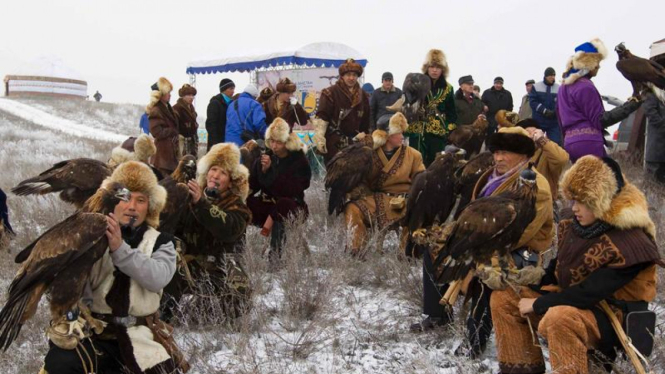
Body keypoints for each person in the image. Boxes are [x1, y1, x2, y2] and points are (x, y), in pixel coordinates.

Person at [491, 155, 661, 374]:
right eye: (573, 200)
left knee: (559, 318)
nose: (575, 208)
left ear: (602, 200)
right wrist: (517, 277)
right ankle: (522, 369)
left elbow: (590, 292)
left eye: (583, 201)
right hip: (573, 304)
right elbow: (557, 271)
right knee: (504, 298)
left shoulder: (632, 240)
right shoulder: (577, 226)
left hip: (613, 320)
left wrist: (538, 304)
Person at [413, 127, 553, 360]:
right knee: (436, 250)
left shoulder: (536, 186)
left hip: (518, 248)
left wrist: (478, 252)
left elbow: (525, 231)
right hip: (482, 238)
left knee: (485, 274)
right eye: (496, 151)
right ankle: (438, 314)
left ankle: (475, 339)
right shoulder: (490, 176)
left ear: (523, 156)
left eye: (505, 152)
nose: (498, 158)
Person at [42, 161, 186, 374]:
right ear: (113, 201)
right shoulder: (91, 234)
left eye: (141, 200)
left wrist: (120, 249)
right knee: (60, 363)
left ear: (150, 206)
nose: (132, 206)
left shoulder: (162, 241)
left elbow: (158, 277)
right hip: (93, 333)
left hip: (139, 334)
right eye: (125, 198)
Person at [163, 142, 252, 322]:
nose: (215, 176)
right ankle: (163, 317)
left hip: (221, 268)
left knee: (236, 307)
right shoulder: (193, 194)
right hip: (190, 263)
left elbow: (228, 228)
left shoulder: (237, 207)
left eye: (223, 173)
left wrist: (201, 204)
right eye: (213, 170)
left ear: (231, 180)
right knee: (167, 268)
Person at [345, 113, 425, 255]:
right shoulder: (369, 154)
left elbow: (421, 181)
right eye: (398, 133)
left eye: (402, 132)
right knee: (352, 208)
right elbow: (359, 179)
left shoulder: (414, 155)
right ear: (386, 136)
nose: (402, 137)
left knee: (417, 211)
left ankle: (406, 253)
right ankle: (356, 250)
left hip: (403, 201)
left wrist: (413, 199)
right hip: (376, 199)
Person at [557, 38, 642, 163]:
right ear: (589, 64)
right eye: (597, 62)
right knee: (601, 180)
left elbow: (559, 119)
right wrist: (630, 106)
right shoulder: (585, 86)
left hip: (570, 143)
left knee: (580, 181)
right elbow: (601, 120)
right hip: (588, 143)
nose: (599, 67)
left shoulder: (562, 88)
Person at [247, 118, 311, 259]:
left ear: (287, 142)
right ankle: (236, 254)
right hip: (267, 206)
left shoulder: (298, 160)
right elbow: (252, 185)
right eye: (272, 141)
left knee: (283, 205)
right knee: (241, 204)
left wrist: (271, 171)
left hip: (293, 207)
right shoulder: (265, 158)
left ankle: (275, 257)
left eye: (278, 142)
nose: (274, 146)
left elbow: (292, 189)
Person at [404, 49, 458, 166]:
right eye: (432, 66)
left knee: (435, 166)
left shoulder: (448, 88)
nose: (434, 70)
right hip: (417, 133)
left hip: (437, 135)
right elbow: (407, 106)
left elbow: (452, 113)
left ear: (443, 69)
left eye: (438, 67)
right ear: (427, 67)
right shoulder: (416, 83)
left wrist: (447, 131)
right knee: (415, 165)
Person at [312, 58, 371, 164]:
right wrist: (319, 138)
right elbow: (321, 117)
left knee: (355, 178)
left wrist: (367, 137)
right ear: (342, 76)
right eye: (348, 75)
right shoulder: (330, 93)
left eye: (354, 75)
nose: (351, 78)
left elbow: (366, 123)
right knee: (336, 178)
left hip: (356, 145)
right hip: (334, 143)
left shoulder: (364, 96)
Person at [517, 118, 569, 202]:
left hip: (543, 202)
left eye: (534, 132)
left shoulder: (546, 153)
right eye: (527, 132)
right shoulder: (515, 155)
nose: (531, 136)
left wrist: (542, 140)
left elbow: (562, 159)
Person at [147, 77, 179, 176]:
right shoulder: (156, 110)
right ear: (160, 94)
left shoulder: (168, 108)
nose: (170, 95)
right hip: (162, 155)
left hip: (169, 154)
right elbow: (156, 132)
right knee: (164, 183)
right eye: (167, 92)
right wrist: (171, 131)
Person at [529, 68, 561, 145]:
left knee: (555, 144)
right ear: (546, 76)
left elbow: (561, 103)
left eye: (554, 75)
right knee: (536, 143)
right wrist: (544, 111)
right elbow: (533, 102)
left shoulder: (559, 88)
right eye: (550, 75)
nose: (553, 77)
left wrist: (555, 112)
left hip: (553, 122)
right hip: (539, 121)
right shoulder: (536, 87)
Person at [206, 78, 235, 150]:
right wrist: (215, 144)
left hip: (228, 141)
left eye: (233, 89)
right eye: (231, 89)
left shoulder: (232, 103)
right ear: (224, 89)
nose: (233, 91)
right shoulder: (215, 103)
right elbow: (211, 124)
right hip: (217, 143)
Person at [643, 92, 665, 183]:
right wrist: (662, 124)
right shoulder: (653, 93)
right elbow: (649, 110)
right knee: (652, 183)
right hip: (656, 150)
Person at [173, 84, 199, 159]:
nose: (191, 97)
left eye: (193, 95)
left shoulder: (192, 109)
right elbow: (175, 127)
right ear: (183, 96)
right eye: (188, 95)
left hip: (192, 143)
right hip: (181, 143)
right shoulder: (176, 108)